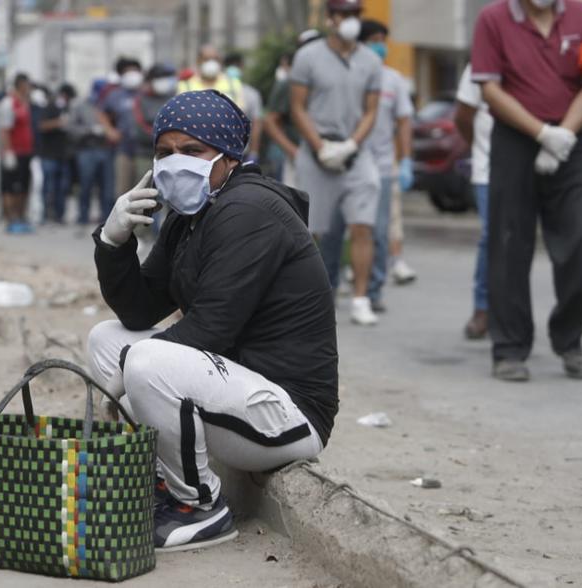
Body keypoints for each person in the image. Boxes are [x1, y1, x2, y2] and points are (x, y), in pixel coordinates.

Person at [86, 90, 337, 552]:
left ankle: (200, 507)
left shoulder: (249, 211)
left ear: (228, 156)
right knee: (106, 338)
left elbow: (209, 332)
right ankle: (159, 480)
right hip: (235, 392)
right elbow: (139, 311)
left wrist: (131, 372)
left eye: (193, 150)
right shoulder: (193, 213)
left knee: (146, 362)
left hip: (289, 416)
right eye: (164, 152)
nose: (175, 162)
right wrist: (113, 241)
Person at [471, 0, 582, 381]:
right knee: (509, 242)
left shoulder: (580, 15)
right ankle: (510, 348)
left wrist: (563, 133)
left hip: (571, 139)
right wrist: (541, 134)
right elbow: (490, 90)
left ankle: (569, 337)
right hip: (516, 139)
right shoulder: (493, 19)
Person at [290, 0, 383, 325]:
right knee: (309, 230)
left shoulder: (371, 61)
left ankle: (360, 298)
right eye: (344, 14)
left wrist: (351, 144)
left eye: (356, 14)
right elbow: (298, 107)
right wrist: (320, 146)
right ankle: (307, 300)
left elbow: (371, 109)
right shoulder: (308, 56)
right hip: (317, 152)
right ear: (331, 18)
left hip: (355, 152)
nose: (351, 21)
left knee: (362, 226)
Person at [351, 18, 416, 312]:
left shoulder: (394, 80)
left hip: (383, 166)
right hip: (349, 164)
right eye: (373, 39)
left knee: (377, 230)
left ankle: (373, 291)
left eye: (382, 39)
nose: (379, 46)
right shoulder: (351, 74)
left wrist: (405, 161)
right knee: (348, 230)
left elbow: (403, 122)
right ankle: (340, 284)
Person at [455, 63, 495, 340]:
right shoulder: (480, 64)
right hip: (488, 169)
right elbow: (463, 116)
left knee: (519, 241)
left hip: (531, 169)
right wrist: (479, 147)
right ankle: (482, 308)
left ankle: (510, 310)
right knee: (492, 237)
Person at [263, 30, 322, 186]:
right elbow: (270, 122)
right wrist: (293, 151)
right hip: (301, 156)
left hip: (331, 156)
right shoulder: (288, 84)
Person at [70, 79, 115, 225]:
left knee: (106, 186)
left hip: (106, 150)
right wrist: (89, 131)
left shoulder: (108, 105)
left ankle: (106, 218)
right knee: (86, 185)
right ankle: (83, 216)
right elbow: (71, 128)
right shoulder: (81, 106)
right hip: (86, 150)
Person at [100, 57, 146, 193]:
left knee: (146, 190)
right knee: (123, 190)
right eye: (128, 71)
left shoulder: (146, 94)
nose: (132, 74)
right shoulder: (115, 95)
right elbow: (102, 113)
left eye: (134, 71)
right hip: (123, 149)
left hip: (145, 150)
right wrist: (109, 131)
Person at [0, 73, 35, 234]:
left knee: (23, 188)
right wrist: (8, 152)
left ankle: (21, 216)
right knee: (10, 188)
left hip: (26, 152)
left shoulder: (26, 103)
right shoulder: (9, 103)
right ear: (20, 85)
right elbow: (5, 130)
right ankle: (10, 218)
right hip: (14, 152)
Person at [37, 83, 76, 224]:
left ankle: (60, 215)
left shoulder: (68, 108)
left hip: (63, 155)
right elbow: (42, 126)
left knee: (62, 188)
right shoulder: (50, 107)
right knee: (48, 186)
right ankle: (45, 215)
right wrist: (59, 123)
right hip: (48, 155)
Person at [177, 45, 246, 110]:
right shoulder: (185, 86)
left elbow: (240, 110)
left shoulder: (233, 83)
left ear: (220, 61)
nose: (211, 62)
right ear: (198, 61)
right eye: (206, 59)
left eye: (215, 59)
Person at [224, 52, 263, 162]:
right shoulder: (217, 91)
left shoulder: (251, 93)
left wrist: (254, 152)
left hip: (243, 152)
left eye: (236, 65)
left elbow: (257, 124)